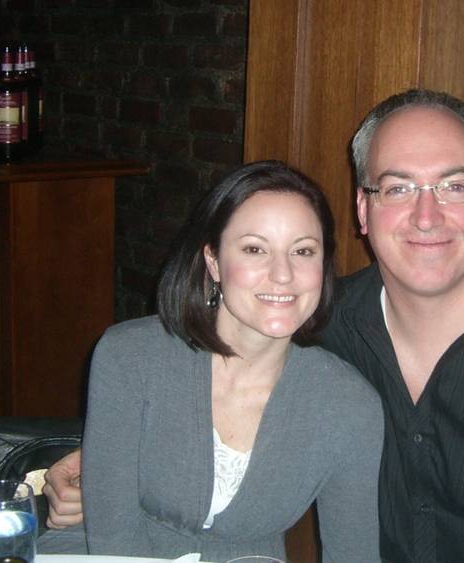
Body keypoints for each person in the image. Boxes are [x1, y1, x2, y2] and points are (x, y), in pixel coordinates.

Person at [44, 90, 464, 562]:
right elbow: (213, 375)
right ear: (364, 209)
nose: (427, 215)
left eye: (453, 185)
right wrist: (104, 459)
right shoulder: (323, 320)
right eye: (398, 188)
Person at [56, 160, 383, 562]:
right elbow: (113, 537)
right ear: (213, 261)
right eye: (254, 249)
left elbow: (354, 554)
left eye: (302, 251)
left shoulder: (350, 406)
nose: (283, 274)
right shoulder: (130, 358)